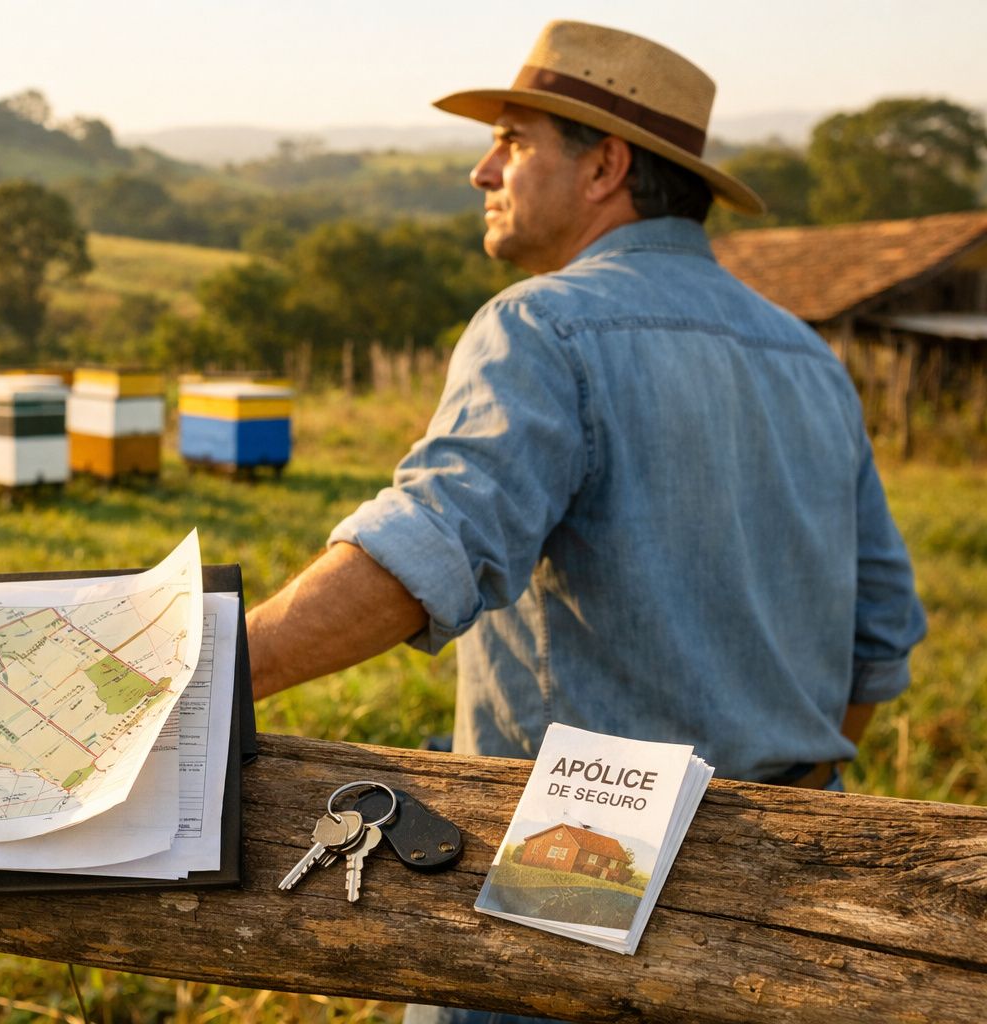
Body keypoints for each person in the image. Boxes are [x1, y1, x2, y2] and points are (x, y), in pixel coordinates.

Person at [245, 21, 927, 1024]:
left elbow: (425, 548)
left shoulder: (540, 323)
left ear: (605, 164)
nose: (483, 170)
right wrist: (768, 782)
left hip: (585, 839)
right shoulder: (806, 356)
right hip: (789, 850)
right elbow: (881, 636)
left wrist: (210, 673)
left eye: (513, 141)